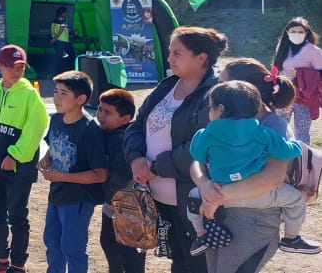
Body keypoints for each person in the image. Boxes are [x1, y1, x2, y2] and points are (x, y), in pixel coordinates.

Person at [124, 26, 227, 273]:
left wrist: (157, 167)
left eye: (177, 53)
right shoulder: (166, 85)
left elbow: (202, 144)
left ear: (201, 58)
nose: (169, 59)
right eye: (170, 52)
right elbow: (137, 125)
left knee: (199, 264)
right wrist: (136, 157)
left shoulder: (214, 94)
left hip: (192, 198)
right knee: (178, 261)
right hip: (158, 195)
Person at [194, 59, 303, 272]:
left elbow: (272, 177)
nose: (216, 86)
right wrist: (205, 185)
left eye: (222, 82)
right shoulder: (223, 122)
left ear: (240, 90)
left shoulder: (272, 125)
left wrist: (215, 194)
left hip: (252, 222)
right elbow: (197, 162)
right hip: (219, 214)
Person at [185, 81, 316, 255]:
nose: (209, 111)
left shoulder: (205, 134)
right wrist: (297, 145)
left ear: (221, 109)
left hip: (214, 190)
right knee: (296, 200)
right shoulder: (262, 132)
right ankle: (291, 238)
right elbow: (286, 151)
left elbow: (197, 156)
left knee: (193, 196)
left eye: (211, 107)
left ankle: (200, 235)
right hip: (257, 194)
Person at [0, 45, 48, 273]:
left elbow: (36, 128)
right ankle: (0, 259)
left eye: (21, 67)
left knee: (17, 215)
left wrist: (15, 155)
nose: (17, 71)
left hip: (19, 169)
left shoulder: (30, 95)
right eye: (12, 66)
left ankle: (17, 265)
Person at [38, 71, 107, 273]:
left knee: (72, 249)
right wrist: (47, 158)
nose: (56, 98)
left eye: (63, 93)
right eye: (56, 91)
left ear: (81, 99)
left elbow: (100, 174)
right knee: (52, 243)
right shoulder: (57, 119)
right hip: (56, 194)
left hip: (78, 199)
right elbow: (53, 146)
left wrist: (61, 176)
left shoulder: (89, 129)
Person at [95, 89, 145, 273]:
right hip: (114, 207)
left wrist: (108, 199)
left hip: (128, 209)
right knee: (109, 244)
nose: (100, 115)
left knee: (129, 256)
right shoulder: (106, 133)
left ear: (125, 119)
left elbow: (120, 176)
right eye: (99, 109)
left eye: (107, 112)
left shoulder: (122, 139)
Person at [271, 17, 322, 143]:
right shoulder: (282, 48)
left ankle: (303, 160)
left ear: (307, 33)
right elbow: (276, 70)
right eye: (293, 32)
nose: (297, 35)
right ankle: (280, 157)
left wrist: (301, 73)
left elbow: (320, 76)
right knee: (279, 128)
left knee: (302, 133)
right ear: (287, 32)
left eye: (300, 32)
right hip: (283, 93)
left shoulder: (315, 52)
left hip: (304, 97)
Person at [51, 7, 76, 75]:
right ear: (63, 12)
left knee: (59, 56)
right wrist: (56, 38)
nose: (67, 13)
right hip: (61, 41)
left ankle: (58, 72)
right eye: (66, 12)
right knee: (70, 55)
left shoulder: (56, 20)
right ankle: (60, 72)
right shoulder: (61, 19)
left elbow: (64, 29)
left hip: (61, 41)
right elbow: (61, 29)